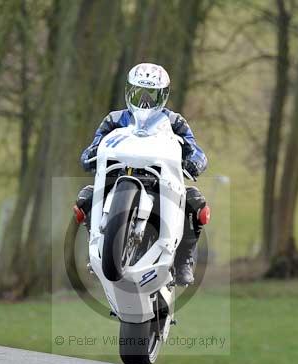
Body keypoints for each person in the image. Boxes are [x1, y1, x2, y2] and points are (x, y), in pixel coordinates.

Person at [75, 63, 209, 286]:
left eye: (152, 95)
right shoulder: (114, 119)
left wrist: (194, 162)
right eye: (139, 93)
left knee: (196, 202)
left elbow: (197, 152)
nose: (145, 101)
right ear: (129, 92)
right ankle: (99, 246)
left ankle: (183, 260)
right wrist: (90, 155)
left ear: (163, 95)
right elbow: (94, 146)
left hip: (159, 182)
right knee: (85, 197)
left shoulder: (175, 122)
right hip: (118, 175)